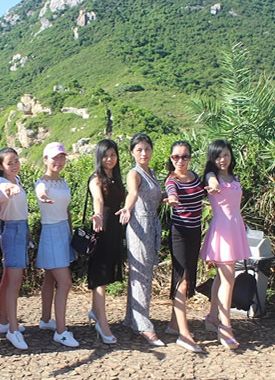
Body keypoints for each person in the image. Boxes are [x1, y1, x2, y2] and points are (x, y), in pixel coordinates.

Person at [199, 139, 250, 350]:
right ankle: (225, 326)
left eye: (226, 155)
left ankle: (213, 317)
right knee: (228, 278)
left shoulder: (234, 177)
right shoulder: (212, 176)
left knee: (222, 277)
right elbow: (212, 183)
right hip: (222, 230)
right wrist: (213, 186)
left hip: (235, 227)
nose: (223, 159)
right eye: (218, 156)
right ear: (212, 158)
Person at [117, 133, 165, 347]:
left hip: (152, 225)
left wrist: (167, 198)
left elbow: (154, 197)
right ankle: (144, 325)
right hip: (139, 225)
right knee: (141, 276)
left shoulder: (151, 173)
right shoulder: (134, 173)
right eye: (139, 150)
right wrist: (127, 208)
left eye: (147, 149)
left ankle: (132, 318)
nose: (144, 153)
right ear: (132, 153)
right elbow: (133, 194)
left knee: (142, 274)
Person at [35, 142, 78, 347]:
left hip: (63, 232)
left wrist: (70, 233)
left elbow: (66, 210)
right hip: (51, 232)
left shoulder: (63, 182)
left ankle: (46, 320)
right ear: (45, 159)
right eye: (54, 157)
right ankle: (61, 332)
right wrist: (43, 197)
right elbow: (41, 192)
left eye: (62, 157)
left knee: (50, 278)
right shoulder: (41, 183)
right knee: (65, 282)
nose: (59, 161)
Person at [165, 141, 206, 353]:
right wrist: (172, 198)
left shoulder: (195, 177)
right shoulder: (172, 180)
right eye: (176, 157)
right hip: (179, 233)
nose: (180, 161)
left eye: (184, 156)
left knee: (188, 278)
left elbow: (204, 192)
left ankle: (174, 325)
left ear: (190, 157)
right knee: (181, 280)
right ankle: (184, 334)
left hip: (195, 232)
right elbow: (171, 191)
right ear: (171, 158)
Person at [86, 139, 125, 345]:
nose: (109, 159)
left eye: (112, 155)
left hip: (115, 231)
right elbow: (98, 199)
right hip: (102, 229)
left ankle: (95, 311)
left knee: (106, 276)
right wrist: (98, 215)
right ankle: (102, 324)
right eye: (105, 156)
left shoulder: (116, 178)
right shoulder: (96, 178)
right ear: (99, 157)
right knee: (100, 278)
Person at [0, 147, 30, 350]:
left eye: (16, 161)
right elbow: (4, 193)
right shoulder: (2, 185)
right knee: (15, 282)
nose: (14, 165)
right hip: (12, 230)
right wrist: (10, 191)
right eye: (9, 163)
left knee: (8, 278)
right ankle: (13, 330)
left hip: (20, 228)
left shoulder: (17, 180)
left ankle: (4, 322)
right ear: (1, 166)